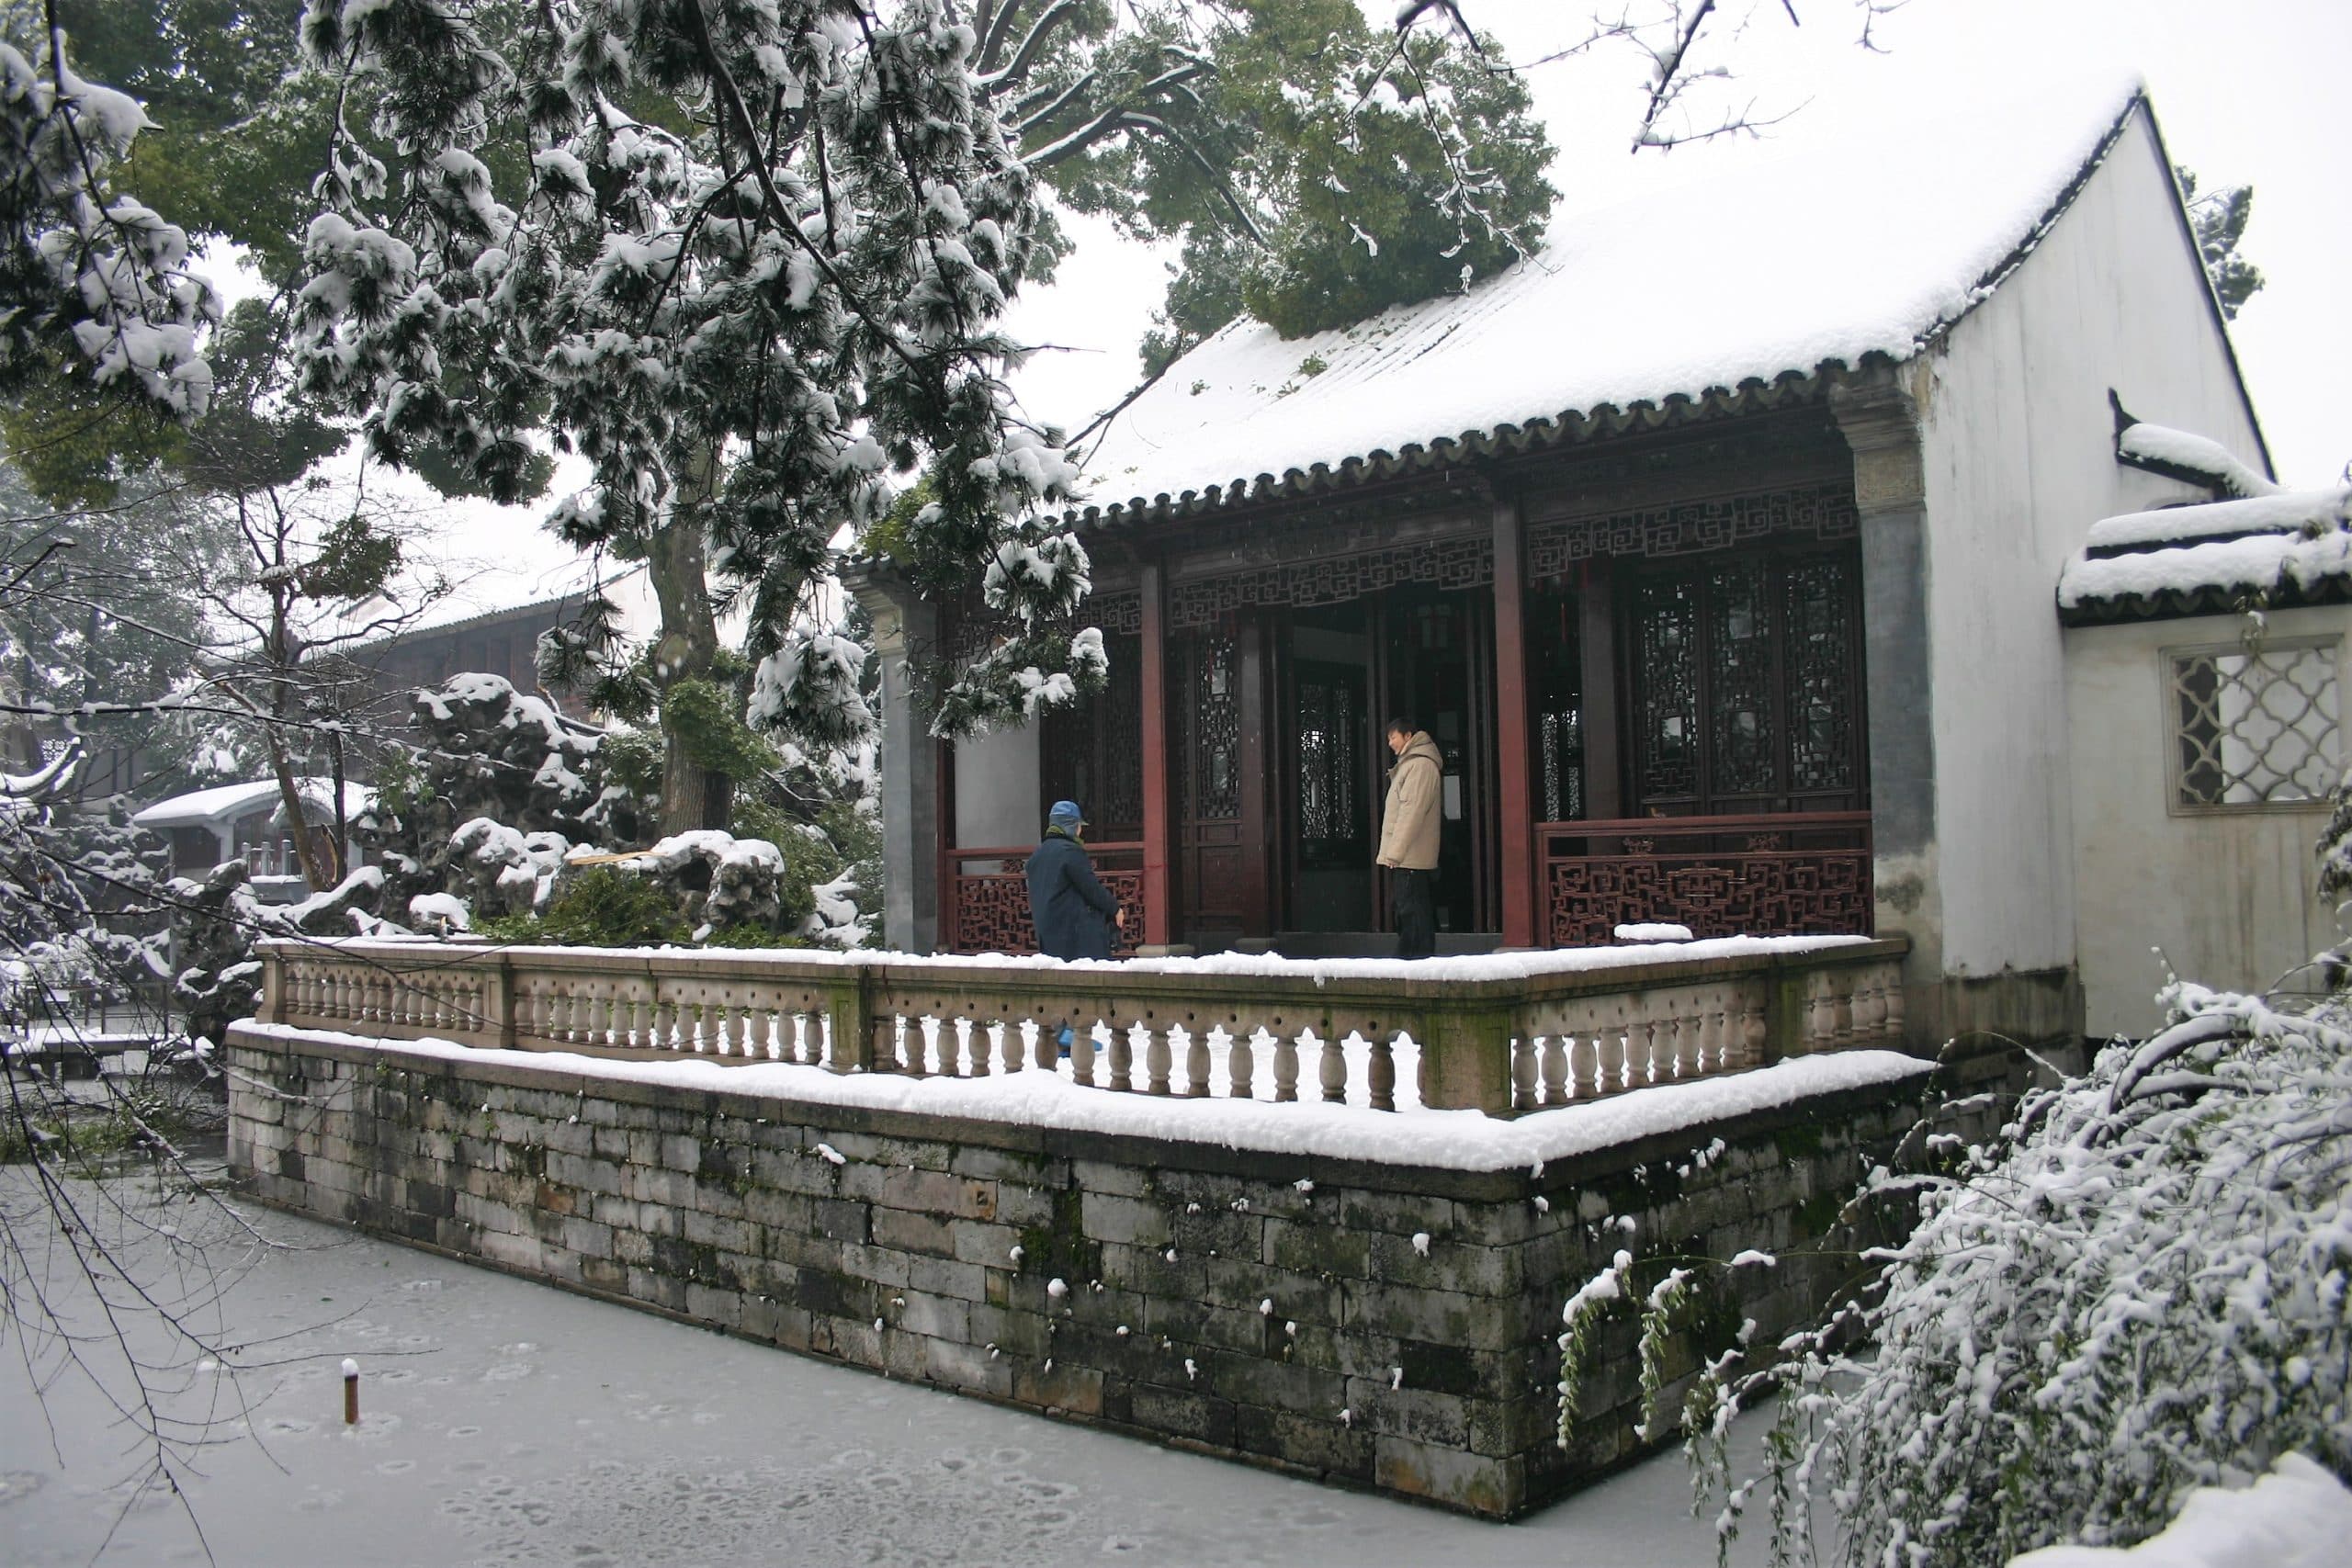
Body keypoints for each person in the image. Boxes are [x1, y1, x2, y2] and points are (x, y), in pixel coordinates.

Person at [1027, 799, 1124, 962]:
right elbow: (1091, 888)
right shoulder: (1070, 851)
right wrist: (1114, 908)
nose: (1080, 831)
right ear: (1071, 825)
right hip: (1073, 936)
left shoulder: (1037, 855)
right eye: (1079, 826)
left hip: (1048, 934)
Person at [1376, 717, 1442, 960]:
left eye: (1393, 737)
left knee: (1411, 911)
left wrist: (1396, 852)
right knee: (1413, 909)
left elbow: (1411, 812)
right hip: (1409, 855)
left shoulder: (1419, 767)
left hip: (1411, 856)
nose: (1390, 743)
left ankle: (1411, 959)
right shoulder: (1411, 765)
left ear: (1408, 736)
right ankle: (1416, 958)